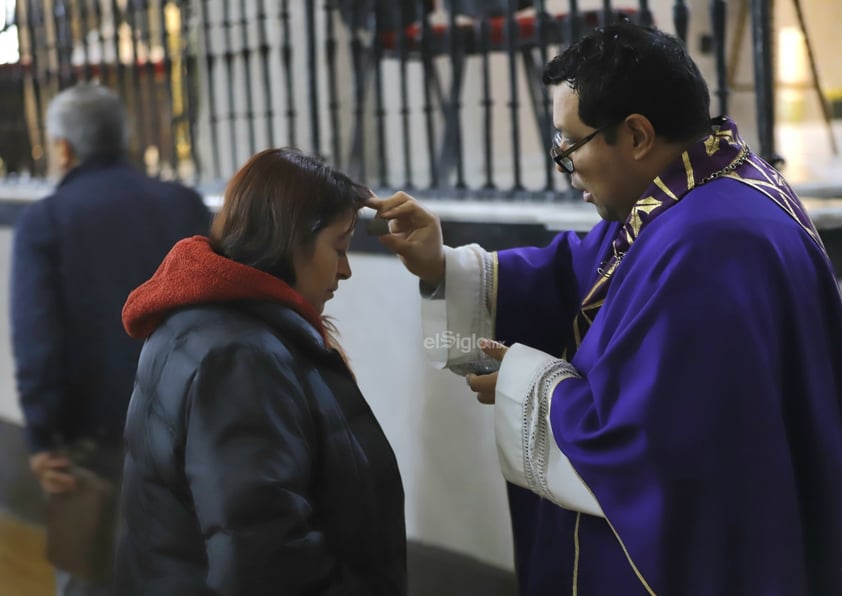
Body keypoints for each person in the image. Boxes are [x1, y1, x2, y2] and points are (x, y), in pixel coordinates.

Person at [368, 22, 842, 596]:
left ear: (637, 135)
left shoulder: (710, 244)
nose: (567, 171)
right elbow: (582, 270)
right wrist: (442, 264)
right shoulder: (707, 183)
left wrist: (521, 381)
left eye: (569, 145)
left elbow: (648, 448)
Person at [115, 148, 407, 595]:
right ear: (293, 239)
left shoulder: (203, 322)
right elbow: (264, 559)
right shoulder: (241, 357)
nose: (345, 270)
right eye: (340, 247)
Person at [9, 82, 211, 595]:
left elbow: (38, 343)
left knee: (89, 579)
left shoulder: (46, 222)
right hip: (189, 431)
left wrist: (42, 438)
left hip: (91, 440)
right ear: (123, 138)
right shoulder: (184, 204)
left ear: (63, 148)